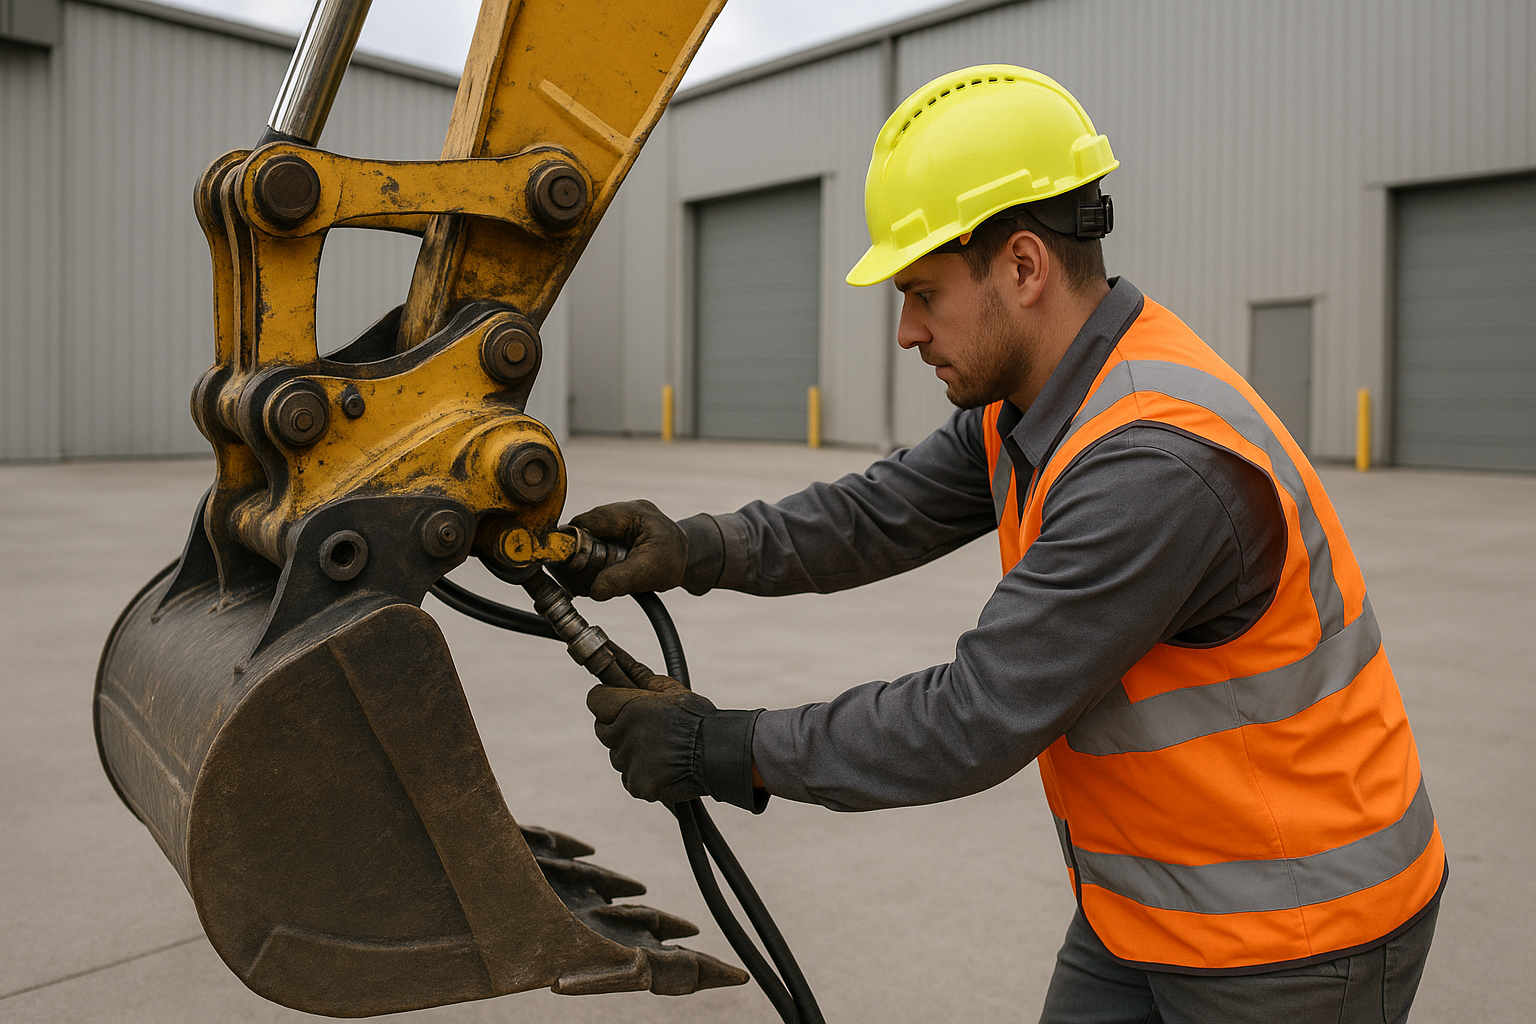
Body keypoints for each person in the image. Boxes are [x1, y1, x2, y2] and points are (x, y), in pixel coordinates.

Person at [567, 65, 1445, 1023]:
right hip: (1148, 902)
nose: (906, 330)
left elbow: (972, 718)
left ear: (1023, 267)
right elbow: (876, 514)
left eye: (924, 292)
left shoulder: (1152, 466)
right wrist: (693, 547)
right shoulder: (1038, 403)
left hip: (1295, 937)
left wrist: (727, 748)